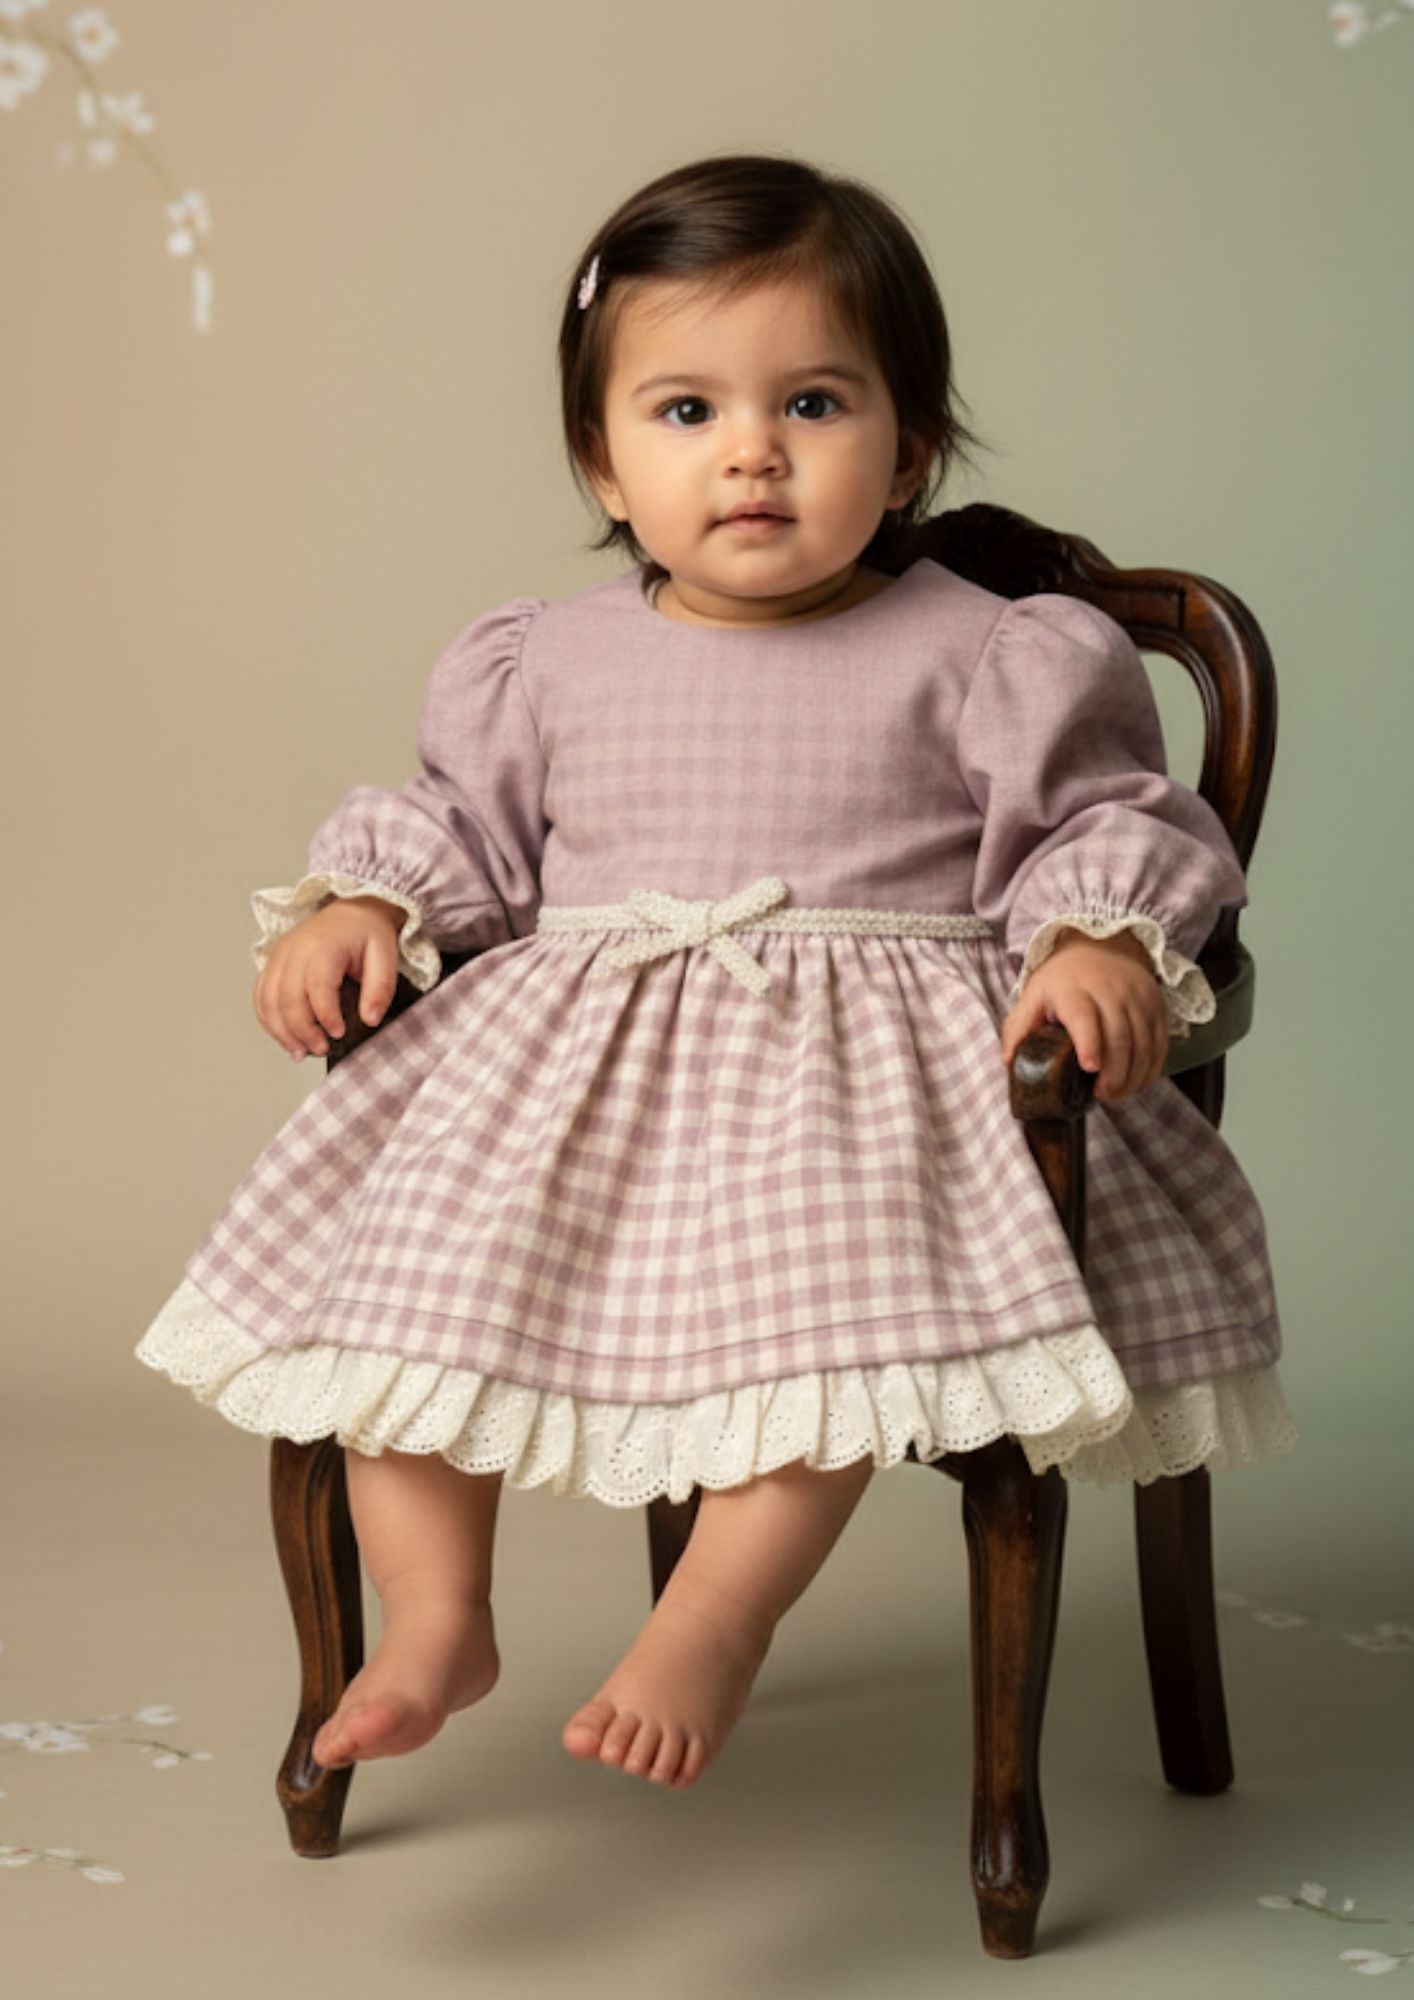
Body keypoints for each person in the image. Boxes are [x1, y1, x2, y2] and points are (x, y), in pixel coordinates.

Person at [135, 150, 1298, 1795]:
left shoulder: (991, 649)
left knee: (824, 1324)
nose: (750, 450)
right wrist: (362, 909)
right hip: (571, 1102)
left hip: (859, 1105)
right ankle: (433, 1614)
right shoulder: (543, 659)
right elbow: (464, 836)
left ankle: (717, 1618)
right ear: (600, 462)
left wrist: (1098, 932)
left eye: (814, 403)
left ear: (910, 444)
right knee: (391, 1314)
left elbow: (1103, 820)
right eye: (683, 411)